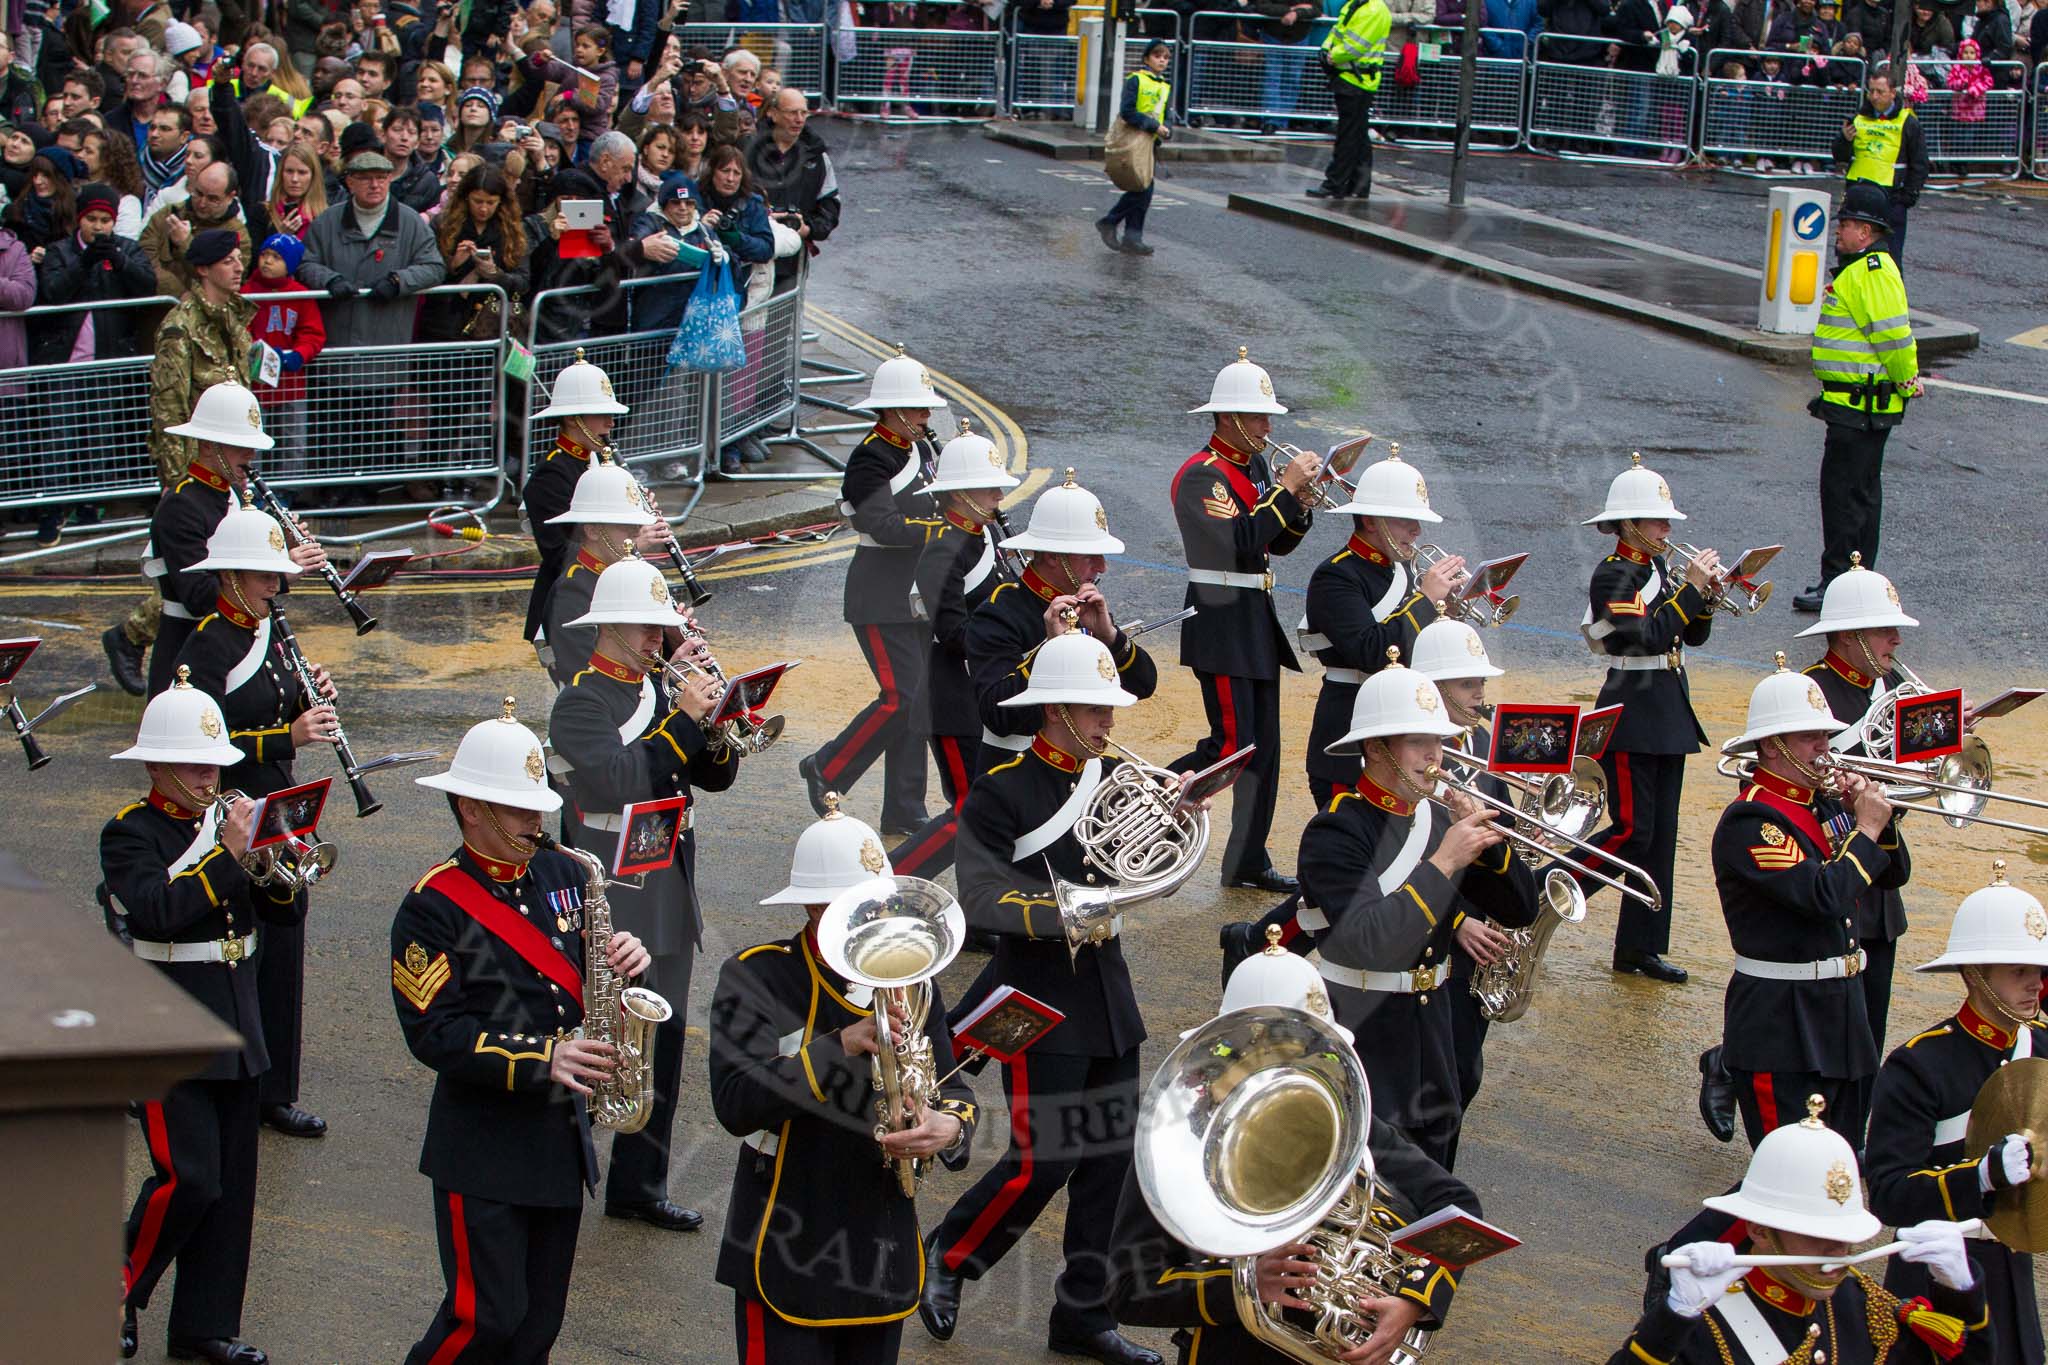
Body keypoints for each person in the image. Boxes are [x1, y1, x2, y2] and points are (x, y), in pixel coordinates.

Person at [920, 630, 1163, 1365]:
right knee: (1044, 1160)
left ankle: (1083, 1316)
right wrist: (1063, 913)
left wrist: (1173, 809)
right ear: (1055, 710)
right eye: (1094, 709)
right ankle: (951, 1253)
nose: (1108, 723)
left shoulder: (1117, 779)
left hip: (1108, 995)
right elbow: (982, 899)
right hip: (1037, 995)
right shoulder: (1003, 791)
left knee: (1110, 1164)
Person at [392, 698, 652, 1363]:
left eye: (537, 804)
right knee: (483, 1320)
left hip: (557, 1142)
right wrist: (545, 1055)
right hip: (481, 1145)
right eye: (516, 808)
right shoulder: (431, 908)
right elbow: (435, 1033)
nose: (534, 820)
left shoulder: (567, 872)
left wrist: (621, 960)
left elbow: (583, 982)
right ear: (469, 808)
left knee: (536, 1328)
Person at [1107, 935, 1477, 1364]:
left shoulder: (1343, 1117)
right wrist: (1244, 1286)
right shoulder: (1178, 1142)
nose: (1289, 1067)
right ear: (1226, 1047)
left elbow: (1458, 1207)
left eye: (1305, 1050)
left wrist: (1414, 1301)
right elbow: (1128, 1288)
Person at [710, 800, 979, 1363]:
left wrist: (948, 1126)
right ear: (813, 906)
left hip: (881, 1244)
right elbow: (735, 1102)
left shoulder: (913, 976)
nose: (875, 919)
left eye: (877, 903)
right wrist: (840, 1046)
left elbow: (955, 1086)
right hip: (789, 1239)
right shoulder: (758, 975)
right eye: (854, 907)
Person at [105, 669, 299, 1365]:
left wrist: (278, 865)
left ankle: (204, 1324)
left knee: (232, 1191)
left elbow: (284, 912)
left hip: (237, 1012)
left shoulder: (235, 823)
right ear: (155, 763)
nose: (206, 775)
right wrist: (228, 856)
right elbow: (154, 910)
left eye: (213, 762)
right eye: (191, 762)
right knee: (189, 1176)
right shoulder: (130, 833)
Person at [549, 555, 739, 1232]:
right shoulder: (579, 700)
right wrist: (683, 721)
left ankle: (641, 1180)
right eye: (646, 627)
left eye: (662, 628)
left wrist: (714, 719)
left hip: (665, 881)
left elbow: (714, 776)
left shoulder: (663, 693)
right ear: (609, 628)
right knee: (594, 1025)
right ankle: (560, 1163)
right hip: (606, 882)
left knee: (659, 1034)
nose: (659, 641)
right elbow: (618, 780)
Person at [1297, 653, 1537, 1169]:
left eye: (1439, 741)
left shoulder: (1435, 817)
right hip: (1367, 1037)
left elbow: (1520, 908)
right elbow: (1369, 940)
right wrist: (1446, 858)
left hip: (1435, 1039)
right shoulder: (1337, 829)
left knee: (1431, 1207)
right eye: (1418, 742)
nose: (1436, 756)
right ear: (1375, 746)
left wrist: (1490, 843)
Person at [174, 504, 338, 1140]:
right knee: (240, 942)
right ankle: (227, 1071)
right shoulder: (206, 646)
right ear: (233, 578)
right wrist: (287, 734)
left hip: (281, 807)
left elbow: (277, 699)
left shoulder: (270, 632)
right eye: (265, 576)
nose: (277, 585)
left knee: (284, 939)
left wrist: (310, 696)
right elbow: (208, 744)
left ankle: (277, 1089)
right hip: (233, 808)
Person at [1614, 1098, 1993, 1365]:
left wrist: (1960, 1292)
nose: (1838, 1248)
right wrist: (1672, 1320)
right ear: (1760, 1230)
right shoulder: (1708, 1324)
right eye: (1815, 1233)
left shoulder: (1867, 1311)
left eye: (1844, 1232)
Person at [1709, 657, 1905, 1152]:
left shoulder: (1819, 804)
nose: (1826, 747)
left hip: (1842, 1017)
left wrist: (1877, 822)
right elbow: (1823, 896)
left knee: (1836, 1169)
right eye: (1810, 737)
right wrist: (1867, 830)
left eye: (1824, 735)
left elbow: (1894, 875)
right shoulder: (1752, 820)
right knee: (1786, 1175)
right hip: (1782, 1024)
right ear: (1774, 746)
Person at [1867, 862, 2045, 1365]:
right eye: (2019, 971)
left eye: (2038, 971)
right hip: (1937, 1275)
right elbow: (1889, 1195)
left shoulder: (2042, 1047)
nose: (2036, 985)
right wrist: (1981, 1177)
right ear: (1974, 974)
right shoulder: (1918, 1065)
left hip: (2014, 1267)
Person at [1170, 349, 1320, 893]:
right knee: (1232, 743)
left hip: (1254, 619)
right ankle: (1151, 799)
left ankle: (1247, 859)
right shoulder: (1200, 476)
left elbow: (1275, 543)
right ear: (1228, 419)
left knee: (1265, 751)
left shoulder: (1254, 466)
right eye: (1259, 417)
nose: (1268, 426)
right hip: (1220, 619)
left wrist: (1299, 502)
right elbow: (1235, 543)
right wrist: (1283, 491)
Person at [1577, 453, 1716, 984]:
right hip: (1631, 709)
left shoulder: (1659, 568)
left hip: (1667, 709)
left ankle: (1641, 947)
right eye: (1659, 521)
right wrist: (1689, 592)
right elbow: (1647, 637)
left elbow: (1690, 635)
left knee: (1660, 838)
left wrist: (1703, 597)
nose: (1667, 529)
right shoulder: (1612, 574)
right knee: (1633, 831)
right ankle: (1549, 887)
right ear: (1630, 524)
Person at [797, 350, 942, 837]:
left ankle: (904, 805)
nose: (926, 418)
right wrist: (945, 531)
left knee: (919, 701)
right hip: (881, 593)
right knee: (900, 696)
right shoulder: (870, 458)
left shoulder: (920, 448)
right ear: (895, 411)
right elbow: (884, 524)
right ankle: (828, 766)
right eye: (920, 410)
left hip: (918, 593)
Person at [1794, 557, 1919, 1097]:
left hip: (1878, 872)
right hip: (1827, 866)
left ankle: (1856, 1141)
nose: (1895, 640)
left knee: (1869, 1026)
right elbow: (1784, 790)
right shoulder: (1806, 693)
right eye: (1883, 630)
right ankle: (1732, 1064)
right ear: (1848, 636)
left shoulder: (1894, 688)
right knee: (1817, 1028)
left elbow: (1901, 801)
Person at [888, 420, 1020, 879]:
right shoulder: (944, 550)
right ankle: (889, 881)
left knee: (986, 810)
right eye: (989, 489)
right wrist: (1014, 635)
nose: (999, 497)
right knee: (968, 811)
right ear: (961, 494)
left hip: (982, 694)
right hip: (953, 701)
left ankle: (981, 907)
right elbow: (953, 631)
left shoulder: (988, 537)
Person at [967, 469, 1157, 776]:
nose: (1102, 567)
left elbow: (1143, 685)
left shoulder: (1084, 606)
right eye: (1090, 556)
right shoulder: (999, 612)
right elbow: (997, 715)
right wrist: (1050, 650)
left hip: (1080, 766)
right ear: (1054, 556)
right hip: (1016, 775)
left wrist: (1109, 636)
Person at [1298, 448, 1459, 809]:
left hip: (1403, 735)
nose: (1417, 531)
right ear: (1371, 521)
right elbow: (1371, 651)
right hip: (1348, 735)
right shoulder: (1336, 575)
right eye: (1405, 520)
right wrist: (1427, 600)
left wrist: (1449, 613)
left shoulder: (1401, 571)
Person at [142, 383, 323, 696]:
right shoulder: (181, 506)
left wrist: (283, 547)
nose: (251, 454)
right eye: (241, 445)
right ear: (210, 445)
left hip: (239, 643)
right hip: (190, 654)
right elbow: (199, 596)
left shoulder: (236, 495)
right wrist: (280, 568)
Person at [1793, 182, 1918, 612]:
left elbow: (1894, 339)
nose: (1838, 232)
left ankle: (1838, 584)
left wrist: (1906, 379)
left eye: (1844, 224)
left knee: (1845, 497)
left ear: (1864, 231)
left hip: (1859, 409)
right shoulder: (1866, 270)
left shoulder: (1871, 273)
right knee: (1858, 495)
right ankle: (1856, 582)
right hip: (1854, 406)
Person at [533, 452, 671, 684]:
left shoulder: (629, 575)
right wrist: (673, 673)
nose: (636, 533)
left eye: (637, 524)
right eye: (625, 526)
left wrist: (675, 638)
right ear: (593, 530)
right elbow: (588, 680)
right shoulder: (573, 592)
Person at [523, 350, 629, 641]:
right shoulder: (552, 475)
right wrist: (631, 542)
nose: (610, 423)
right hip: (570, 610)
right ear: (573, 419)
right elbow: (561, 554)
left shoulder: (595, 463)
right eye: (601, 414)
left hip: (602, 596)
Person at [151, 230, 257, 488]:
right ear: (203, 270)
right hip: (199, 465)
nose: (239, 268)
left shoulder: (235, 316)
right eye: (227, 262)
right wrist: (178, 481)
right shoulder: (180, 326)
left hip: (234, 456)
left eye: (238, 259)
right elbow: (169, 409)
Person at [242, 233, 326, 477]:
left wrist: (297, 355)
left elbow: (312, 334)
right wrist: (261, 355)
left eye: (276, 257)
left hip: (291, 383)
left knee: (294, 441)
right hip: (256, 385)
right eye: (264, 255)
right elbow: (241, 332)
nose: (267, 261)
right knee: (254, 441)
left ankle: (289, 488)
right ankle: (253, 489)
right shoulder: (247, 293)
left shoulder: (300, 294)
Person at [744, 87, 840, 290]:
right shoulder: (748, 149)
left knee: (783, 319)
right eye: (792, 112)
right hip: (750, 255)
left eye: (803, 113)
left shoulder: (817, 157)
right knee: (750, 320)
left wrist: (809, 228)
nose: (799, 119)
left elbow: (830, 203)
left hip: (791, 259)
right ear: (773, 113)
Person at [1831, 68, 1928, 265]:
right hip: (1857, 196)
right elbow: (1839, 156)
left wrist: (1907, 198)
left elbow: (1920, 163)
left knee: (1889, 260)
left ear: (1893, 93)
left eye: (1880, 91)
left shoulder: (1908, 122)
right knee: (1848, 257)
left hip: (1890, 198)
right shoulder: (1858, 118)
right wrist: (1844, 140)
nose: (1874, 96)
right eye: (1871, 91)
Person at [1309, 0, 1391, 199]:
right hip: (1349, 76)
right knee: (1357, 134)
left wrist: (1332, 56)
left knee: (1348, 135)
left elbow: (1356, 46)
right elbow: (1338, 31)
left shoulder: (1374, 9)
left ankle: (1335, 183)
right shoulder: (1355, 5)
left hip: (1358, 79)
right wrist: (1326, 49)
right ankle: (1358, 185)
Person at [1095, 41, 1170, 256]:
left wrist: (1167, 130)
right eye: (1157, 56)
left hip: (1149, 142)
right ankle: (1111, 223)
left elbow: (1166, 113)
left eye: (1165, 57)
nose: (1162, 60)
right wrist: (1154, 126)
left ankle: (1131, 237)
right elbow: (1127, 111)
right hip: (1133, 140)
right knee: (1143, 188)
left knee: (1143, 189)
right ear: (1146, 59)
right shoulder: (1136, 80)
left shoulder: (1165, 85)